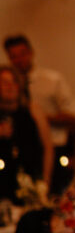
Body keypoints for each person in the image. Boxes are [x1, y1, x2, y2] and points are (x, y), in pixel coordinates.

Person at [4, 34, 75, 183]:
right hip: (25, 153)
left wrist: (39, 119)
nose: (19, 60)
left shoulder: (52, 80)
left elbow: (74, 115)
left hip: (55, 147)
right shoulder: (10, 85)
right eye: (13, 56)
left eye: (22, 54)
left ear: (31, 52)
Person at [0, 65, 50, 197]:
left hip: (30, 179)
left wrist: (45, 181)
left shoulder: (33, 110)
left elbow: (48, 147)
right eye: (5, 83)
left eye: (14, 82)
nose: (10, 87)